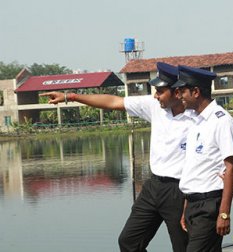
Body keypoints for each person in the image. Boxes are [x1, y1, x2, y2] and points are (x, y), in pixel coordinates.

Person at [40, 62, 195, 252]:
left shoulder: (197, 118)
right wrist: (70, 96)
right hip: (153, 187)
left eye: (160, 91)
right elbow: (113, 102)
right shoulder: (155, 106)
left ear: (177, 92)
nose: (155, 95)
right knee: (129, 242)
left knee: (183, 246)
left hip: (179, 191)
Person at [171, 65, 233, 252]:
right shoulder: (195, 121)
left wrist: (224, 214)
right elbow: (195, 168)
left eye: (182, 91)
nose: (179, 96)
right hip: (194, 205)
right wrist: (187, 207)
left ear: (196, 92)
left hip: (209, 206)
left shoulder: (222, 122)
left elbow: (231, 168)